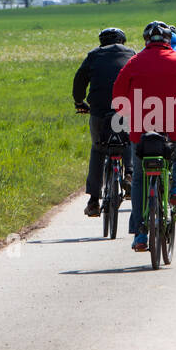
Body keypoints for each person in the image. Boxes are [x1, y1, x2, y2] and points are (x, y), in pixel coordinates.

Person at [112, 20, 176, 253]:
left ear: (146, 41)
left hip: (142, 132)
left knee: (138, 179)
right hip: (174, 130)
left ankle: (140, 233)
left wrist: (127, 112)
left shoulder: (134, 62)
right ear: (168, 41)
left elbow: (117, 96)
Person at [72, 27, 135, 217]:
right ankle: (129, 175)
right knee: (128, 139)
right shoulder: (131, 54)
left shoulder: (93, 55)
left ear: (101, 42)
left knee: (98, 149)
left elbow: (79, 80)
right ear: (122, 41)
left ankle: (93, 201)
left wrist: (79, 101)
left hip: (99, 110)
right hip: (125, 107)